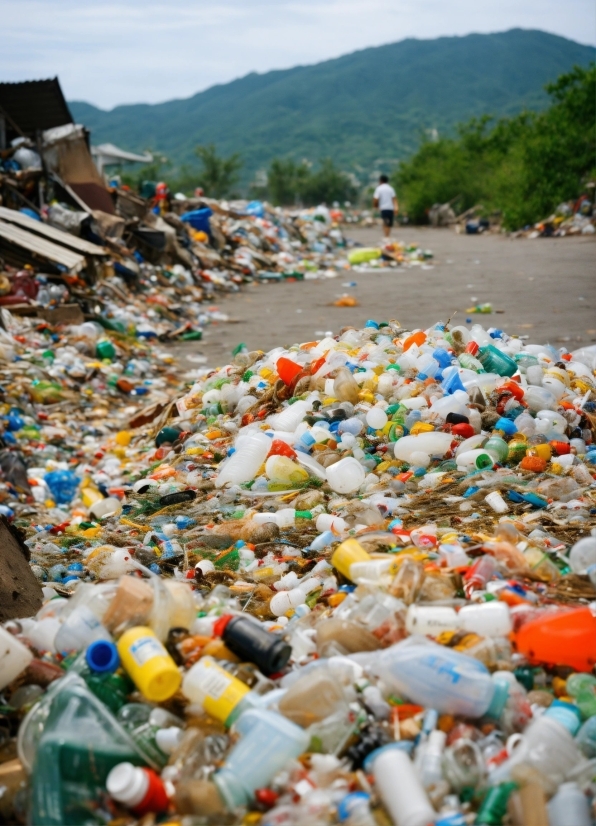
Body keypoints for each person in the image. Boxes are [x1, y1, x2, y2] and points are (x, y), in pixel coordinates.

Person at [373, 175, 398, 239]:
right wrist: (396, 208)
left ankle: (386, 236)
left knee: (385, 222)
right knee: (389, 223)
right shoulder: (391, 188)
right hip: (391, 208)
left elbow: (376, 199)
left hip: (384, 208)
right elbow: (394, 199)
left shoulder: (379, 188)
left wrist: (375, 206)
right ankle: (387, 235)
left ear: (381, 181)